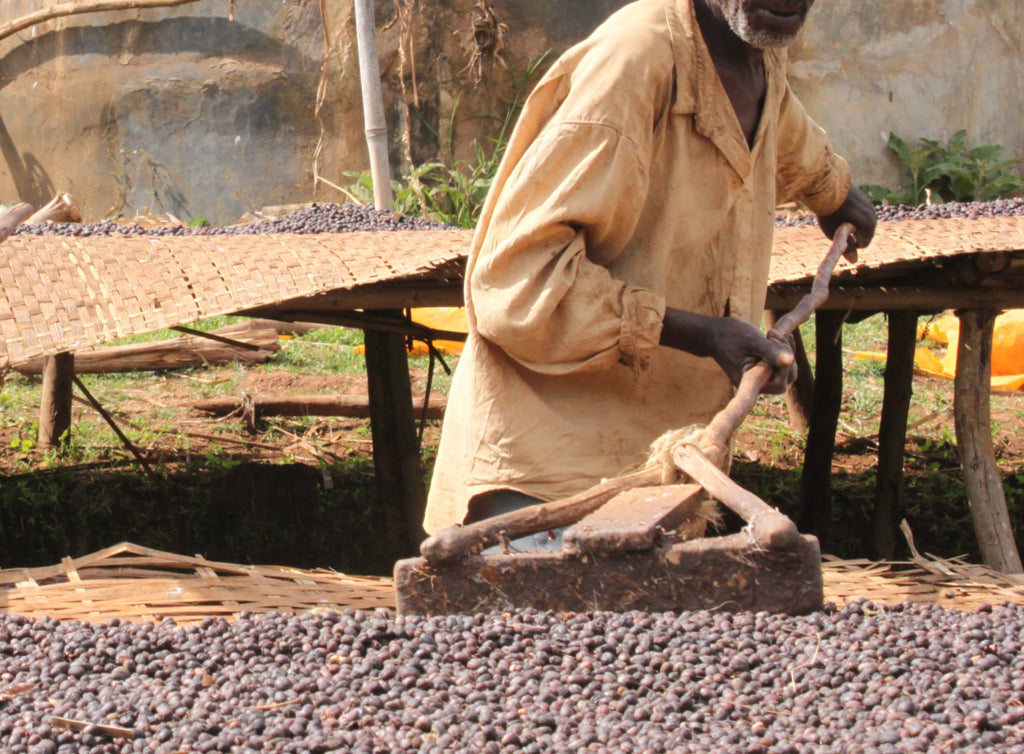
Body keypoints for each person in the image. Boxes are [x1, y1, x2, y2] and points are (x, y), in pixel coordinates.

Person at [423, 0, 876, 542]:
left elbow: (781, 128)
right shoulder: (635, 63)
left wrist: (835, 191)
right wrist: (703, 333)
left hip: (658, 483)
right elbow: (518, 280)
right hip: (548, 486)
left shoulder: (755, 51)